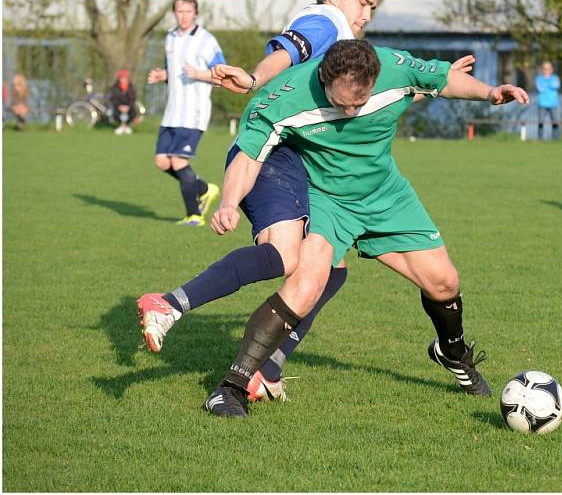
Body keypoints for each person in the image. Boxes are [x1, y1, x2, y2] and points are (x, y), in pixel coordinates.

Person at [202, 39, 529, 417]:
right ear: (325, 79)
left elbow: (442, 79)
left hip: (385, 195)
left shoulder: (393, 66)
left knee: (444, 283)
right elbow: (248, 154)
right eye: (342, 104)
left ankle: (451, 353)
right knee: (306, 286)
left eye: (360, 102)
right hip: (326, 199)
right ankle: (231, 388)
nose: (352, 111)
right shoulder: (287, 97)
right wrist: (228, 202)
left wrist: (490, 93)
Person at [138, 0, 391, 402]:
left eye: (373, 8)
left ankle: (269, 367)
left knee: (331, 267)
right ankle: (171, 303)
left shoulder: (340, 33)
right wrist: (255, 76)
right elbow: (290, 50)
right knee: (285, 254)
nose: (366, 15)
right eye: (363, 2)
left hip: (292, 158)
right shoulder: (326, 19)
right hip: (272, 155)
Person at [146, 0, 224, 227]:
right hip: (173, 111)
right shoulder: (170, 38)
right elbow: (174, 72)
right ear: (174, 13)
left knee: (179, 162)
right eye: (180, 11)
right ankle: (204, 188)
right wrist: (162, 75)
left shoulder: (206, 40)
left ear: (196, 13)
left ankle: (195, 215)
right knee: (162, 162)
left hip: (194, 113)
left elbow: (221, 74)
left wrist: (199, 74)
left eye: (188, 11)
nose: (184, 16)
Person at [534, 61, 560, 140]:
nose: (547, 70)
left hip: (553, 103)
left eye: (548, 68)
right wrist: (550, 85)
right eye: (545, 68)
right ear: (543, 69)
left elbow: (556, 85)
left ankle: (555, 140)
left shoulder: (555, 78)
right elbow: (539, 88)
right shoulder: (539, 78)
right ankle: (540, 139)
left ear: (551, 69)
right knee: (541, 122)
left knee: (555, 122)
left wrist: (546, 85)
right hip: (542, 103)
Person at [109, 69, 138, 135]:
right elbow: (113, 99)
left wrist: (128, 107)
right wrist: (119, 106)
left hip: (129, 108)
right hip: (118, 107)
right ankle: (122, 127)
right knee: (114, 112)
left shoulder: (131, 88)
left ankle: (125, 127)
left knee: (132, 112)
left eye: (125, 78)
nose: (123, 79)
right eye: (122, 77)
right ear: (119, 78)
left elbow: (133, 99)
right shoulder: (114, 87)